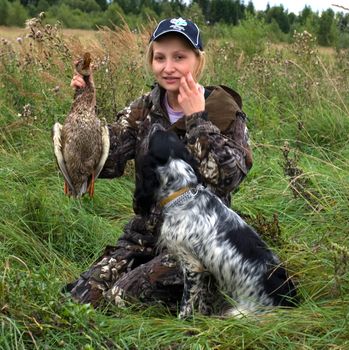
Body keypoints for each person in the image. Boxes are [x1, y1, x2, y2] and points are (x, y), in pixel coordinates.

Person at [65, 17, 253, 312]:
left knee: (119, 298)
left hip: (197, 241)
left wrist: (197, 121)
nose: (168, 67)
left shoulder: (223, 111)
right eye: (160, 57)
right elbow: (106, 159)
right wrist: (85, 101)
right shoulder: (144, 108)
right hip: (143, 237)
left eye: (180, 57)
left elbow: (228, 178)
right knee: (80, 299)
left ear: (198, 61)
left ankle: (210, 290)